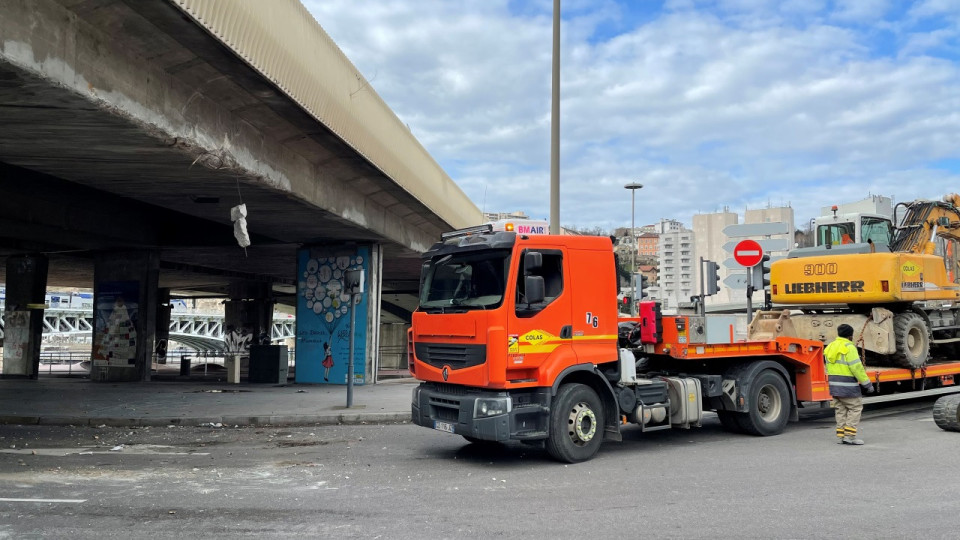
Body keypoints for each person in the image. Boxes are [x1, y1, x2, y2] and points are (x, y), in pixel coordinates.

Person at [825, 323, 875, 445]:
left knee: (840, 410)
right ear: (850, 336)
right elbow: (857, 368)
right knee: (855, 408)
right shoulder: (849, 347)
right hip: (848, 386)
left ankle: (841, 436)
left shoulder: (830, 346)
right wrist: (867, 384)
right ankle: (850, 436)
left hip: (834, 386)